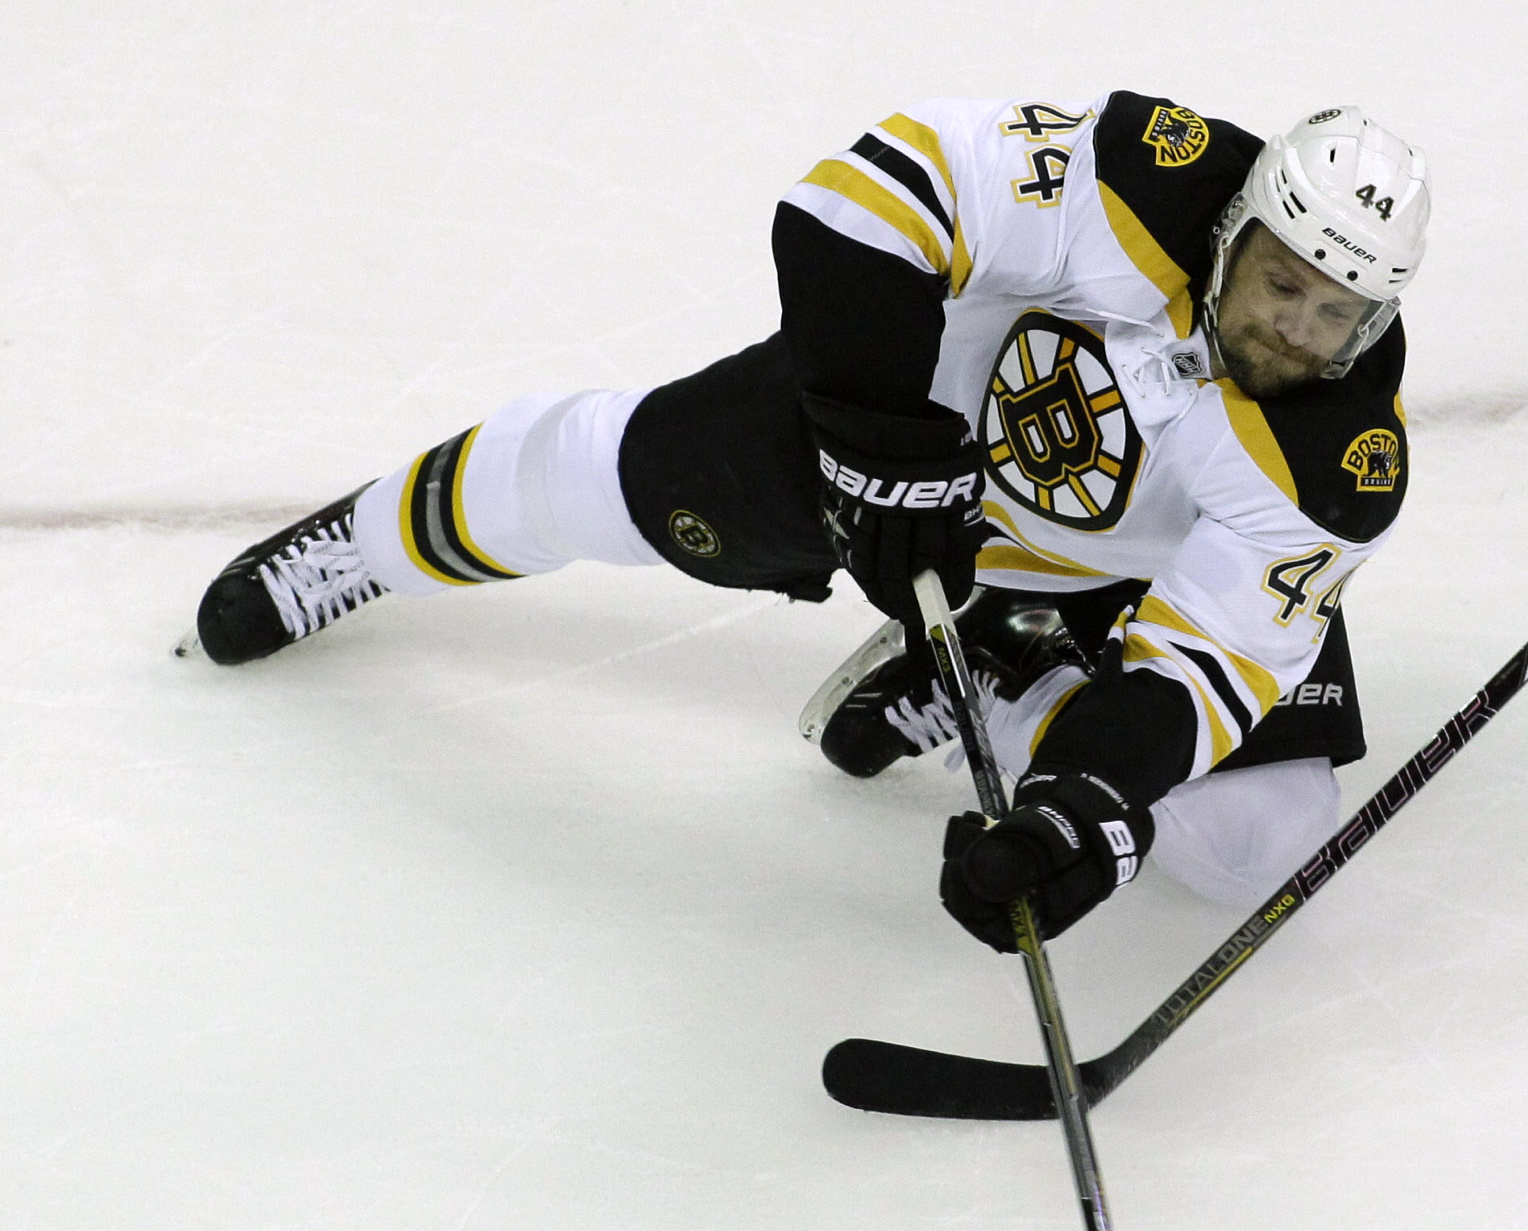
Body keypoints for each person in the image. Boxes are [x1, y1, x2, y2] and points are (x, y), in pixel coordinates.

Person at [187, 93, 1430, 940]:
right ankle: (360, 545)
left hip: (1108, 580)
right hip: (889, 426)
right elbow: (865, 197)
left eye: (1338, 316)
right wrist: (882, 453)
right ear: (1238, 230)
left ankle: (1013, 667)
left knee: (1253, 842)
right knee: (594, 477)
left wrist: (1079, 809)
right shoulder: (1138, 176)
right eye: (1281, 285)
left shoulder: (1338, 463)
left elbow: (1211, 667)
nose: (1295, 332)